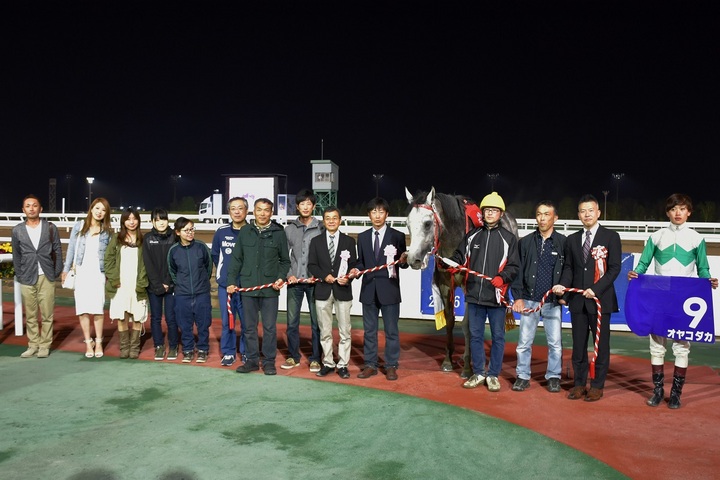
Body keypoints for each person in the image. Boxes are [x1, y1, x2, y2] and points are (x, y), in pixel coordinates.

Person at [628, 193, 718, 409]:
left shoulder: (696, 238)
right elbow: (643, 264)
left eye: (682, 209)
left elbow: (703, 268)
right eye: (674, 209)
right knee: (657, 347)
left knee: (682, 347)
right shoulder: (657, 236)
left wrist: (708, 281)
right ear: (667, 212)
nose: (678, 213)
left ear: (689, 212)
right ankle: (658, 391)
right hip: (659, 297)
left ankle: (676, 394)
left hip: (684, 299)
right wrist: (635, 273)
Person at [446, 192, 520, 392]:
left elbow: (514, 266)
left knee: (498, 337)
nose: (490, 213)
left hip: (496, 298)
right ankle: (478, 372)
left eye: (494, 210)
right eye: (487, 210)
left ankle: (493, 374)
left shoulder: (509, 239)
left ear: (500, 214)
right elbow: (460, 256)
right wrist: (452, 263)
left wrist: (503, 277)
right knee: (475, 336)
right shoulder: (472, 236)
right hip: (474, 297)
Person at [552, 194, 621, 402]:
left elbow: (614, 269)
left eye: (590, 210)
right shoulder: (572, 239)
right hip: (578, 302)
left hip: (600, 301)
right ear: (578, 215)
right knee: (578, 346)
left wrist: (595, 289)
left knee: (601, 346)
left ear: (598, 212)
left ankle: (597, 385)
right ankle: (579, 384)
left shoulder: (611, 237)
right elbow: (569, 268)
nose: (587, 214)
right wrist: (563, 288)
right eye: (583, 211)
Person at [228, 198, 290, 376]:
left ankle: (269, 362)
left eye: (266, 210)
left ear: (271, 212)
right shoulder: (245, 231)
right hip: (249, 287)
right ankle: (252, 361)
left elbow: (285, 261)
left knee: (270, 328)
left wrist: (280, 278)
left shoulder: (279, 233)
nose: (262, 213)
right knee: (249, 327)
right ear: (253, 211)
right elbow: (237, 259)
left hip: (270, 289)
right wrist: (231, 281)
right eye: (259, 210)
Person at [510, 200, 566, 393]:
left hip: (553, 302)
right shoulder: (525, 243)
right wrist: (518, 297)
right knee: (524, 343)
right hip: (529, 299)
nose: (542, 218)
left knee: (555, 344)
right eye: (539, 214)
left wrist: (564, 293)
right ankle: (522, 376)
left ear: (555, 218)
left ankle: (553, 377)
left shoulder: (563, 243)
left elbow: (568, 271)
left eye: (546, 214)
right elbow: (517, 272)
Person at [349, 197, 408, 381]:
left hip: (389, 290)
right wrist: (356, 270)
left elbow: (403, 264)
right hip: (368, 290)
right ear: (369, 215)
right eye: (373, 211)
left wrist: (404, 260)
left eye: (381, 211)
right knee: (369, 331)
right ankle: (370, 365)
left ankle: (391, 365)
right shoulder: (363, 237)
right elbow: (361, 262)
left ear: (387, 214)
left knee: (391, 331)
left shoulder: (397, 236)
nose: (377, 215)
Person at [308, 206, 357, 379]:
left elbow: (353, 265)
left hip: (343, 291)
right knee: (325, 331)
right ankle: (328, 363)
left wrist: (349, 277)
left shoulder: (349, 241)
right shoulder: (316, 241)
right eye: (328, 218)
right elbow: (312, 265)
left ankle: (343, 364)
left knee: (345, 331)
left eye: (334, 218)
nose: (331, 221)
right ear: (323, 221)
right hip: (322, 291)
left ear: (340, 220)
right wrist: (324, 276)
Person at [11, 194, 63, 358]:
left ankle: (45, 345)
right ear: (23, 209)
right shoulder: (17, 230)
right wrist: (20, 274)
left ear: (40, 208)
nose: (31, 208)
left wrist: (56, 271)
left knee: (47, 314)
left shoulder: (50, 227)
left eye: (34, 205)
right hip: (26, 277)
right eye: (28, 206)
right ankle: (33, 344)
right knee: (31, 315)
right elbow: (16, 255)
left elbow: (57, 250)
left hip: (46, 276)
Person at [63, 197, 112, 358]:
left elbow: (110, 256)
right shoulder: (79, 226)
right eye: (97, 208)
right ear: (91, 209)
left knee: (98, 308)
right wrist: (65, 269)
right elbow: (71, 249)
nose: (99, 212)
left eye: (103, 210)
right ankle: (88, 342)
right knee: (82, 309)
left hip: (98, 273)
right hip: (81, 271)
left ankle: (99, 341)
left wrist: (110, 274)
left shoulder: (107, 232)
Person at [282, 189, 324, 372]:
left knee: (317, 323)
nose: (305, 207)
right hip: (294, 284)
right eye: (302, 204)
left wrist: (320, 274)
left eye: (309, 203)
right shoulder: (289, 229)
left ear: (313, 206)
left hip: (315, 283)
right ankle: (293, 356)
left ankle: (316, 358)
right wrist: (288, 274)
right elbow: (283, 256)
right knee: (292, 323)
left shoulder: (321, 227)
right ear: (297, 207)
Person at [105, 207, 149, 359]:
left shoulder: (143, 240)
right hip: (120, 284)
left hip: (137, 284)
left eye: (134, 218)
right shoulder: (116, 239)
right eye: (128, 219)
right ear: (123, 221)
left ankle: (134, 347)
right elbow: (108, 260)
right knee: (121, 315)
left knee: (137, 315)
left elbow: (147, 263)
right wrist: (114, 279)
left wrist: (143, 281)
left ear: (138, 220)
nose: (131, 222)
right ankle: (124, 347)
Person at [168, 217, 213, 364]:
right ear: (178, 232)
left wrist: (201, 283)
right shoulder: (173, 251)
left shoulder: (201, 247)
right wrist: (182, 284)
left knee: (203, 324)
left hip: (201, 293)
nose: (190, 232)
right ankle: (187, 350)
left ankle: (203, 349)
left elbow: (208, 267)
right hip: (182, 294)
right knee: (185, 325)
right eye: (186, 230)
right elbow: (172, 271)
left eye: (192, 229)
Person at [211, 196, 248, 367]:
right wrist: (225, 277)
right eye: (233, 208)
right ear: (229, 211)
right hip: (226, 287)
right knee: (227, 322)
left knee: (248, 322)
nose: (237, 212)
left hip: (247, 287)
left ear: (246, 211)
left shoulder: (252, 231)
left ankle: (247, 352)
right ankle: (228, 352)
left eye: (240, 208)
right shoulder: (221, 232)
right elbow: (215, 255)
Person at [143, 207, 180, 361]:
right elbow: (148, 264)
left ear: (167, 220)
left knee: (171, 317)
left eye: (163, 219)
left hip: (171, 285)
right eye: (157, 220)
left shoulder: (174, 237)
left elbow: (176, 261)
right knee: (156, 317)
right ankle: (159, 345)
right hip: (154, 286)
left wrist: (167, 281)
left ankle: (173, 346)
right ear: (152, 222)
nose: (161, 223)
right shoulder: (147, 238)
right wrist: (158, 284)